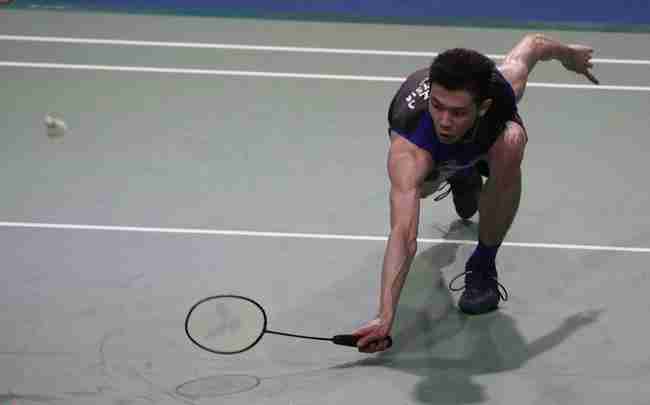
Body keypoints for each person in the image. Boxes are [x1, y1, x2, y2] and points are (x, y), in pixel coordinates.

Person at [352, 34, 599, 353]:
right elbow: (403, 234)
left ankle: (482, 264)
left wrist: (569, 57)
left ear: (483, 107)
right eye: (437, 107)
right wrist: (385, 316)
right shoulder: (410, 144)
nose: (444, 121)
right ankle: (459, 173)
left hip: (485, 141)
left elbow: (534, 45)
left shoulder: (502, 89)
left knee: (511, 142)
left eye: (457, 112)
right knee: (420, 188)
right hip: (433, 157)